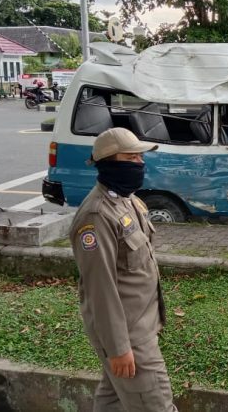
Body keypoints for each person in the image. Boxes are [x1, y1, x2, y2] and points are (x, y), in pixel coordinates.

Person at [69, 127, 178, 411]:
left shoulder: (128, 200)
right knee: (156, 405)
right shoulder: (96, 216)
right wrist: (118, 349)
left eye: (140, 157)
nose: (140, 164)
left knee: (113, 401)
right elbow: (99, 289)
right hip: (130, 335)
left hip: (142, 323)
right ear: (109, 163)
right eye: (131, 158)